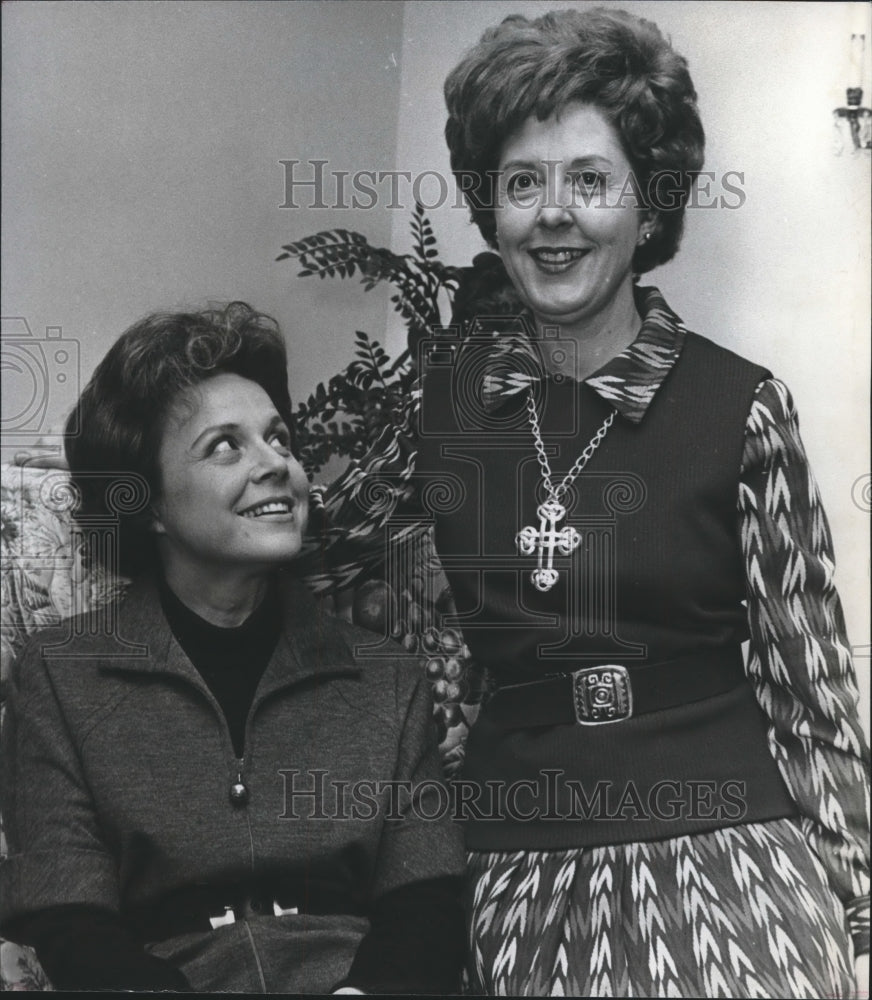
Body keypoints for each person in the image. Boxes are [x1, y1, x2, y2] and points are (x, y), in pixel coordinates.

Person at [308, 7, 870, 997]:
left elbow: (808, 687)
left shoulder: (738, 407)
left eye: (588, 180)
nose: (551, 212)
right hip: (513, 855)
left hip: (725, 846)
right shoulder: (438, 404)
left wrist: (852, 903)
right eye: (521, 182)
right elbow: (323, 581)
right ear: (491, 208)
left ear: (647, 209)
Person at [0, 302, 466, 993]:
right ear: (150, 504)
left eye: (279, 438)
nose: (275, 464)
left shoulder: (387, 678)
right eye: (226, 446)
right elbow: (69, 920)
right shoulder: (60, 677)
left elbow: (426, 903)